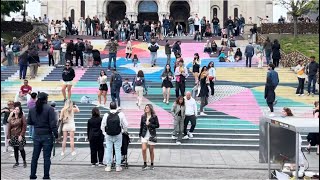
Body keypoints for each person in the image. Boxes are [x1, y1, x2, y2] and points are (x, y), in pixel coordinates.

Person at [28, 92, 58, 179]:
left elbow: (30, 122)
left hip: (37, 134)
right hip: (47, 135)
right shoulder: (50, 109)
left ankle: (32, 175)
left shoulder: (32, 109)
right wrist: (56, 135)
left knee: (35, 157)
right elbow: (53, 124)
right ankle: (46, 176)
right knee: (46, 157)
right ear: (46, 99)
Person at [101, 102, 128, 172]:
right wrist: (123, 131)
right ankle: (118, 166)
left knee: (109, 150)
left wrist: (104, 133)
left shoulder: (106, 115)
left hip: (108, 135)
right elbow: (126, 125)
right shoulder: (120, 114)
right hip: (118, 134)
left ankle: (108, 166)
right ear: (116, 107)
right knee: (118, 150)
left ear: (109, 107)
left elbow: (102, 126)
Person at [139, 104, 159, 170]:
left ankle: (152, 164)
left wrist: (150, 124)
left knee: (151, 150)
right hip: (144, 135)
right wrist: (140, 134)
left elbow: (157, 125)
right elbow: (141, 126)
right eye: (145, 108)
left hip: (151, 135)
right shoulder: (143, 116)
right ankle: (145, 163)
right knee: (144, 149)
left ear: (150, 108)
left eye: (147, 107)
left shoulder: (154, 116)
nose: (146, 109)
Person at [7, 104, 27, 168]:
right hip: (13, 136)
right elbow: (9, 128)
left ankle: (24, 161)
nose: (16, 110)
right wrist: (8, 137)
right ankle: (17, 162)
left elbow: (24, 126)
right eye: (15, 109)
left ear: (20, 110)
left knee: (21, 149)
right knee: (15, 149)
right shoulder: (11, 118)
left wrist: (21, 135)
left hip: (19, 135)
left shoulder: (22, 117)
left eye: (17, 109)